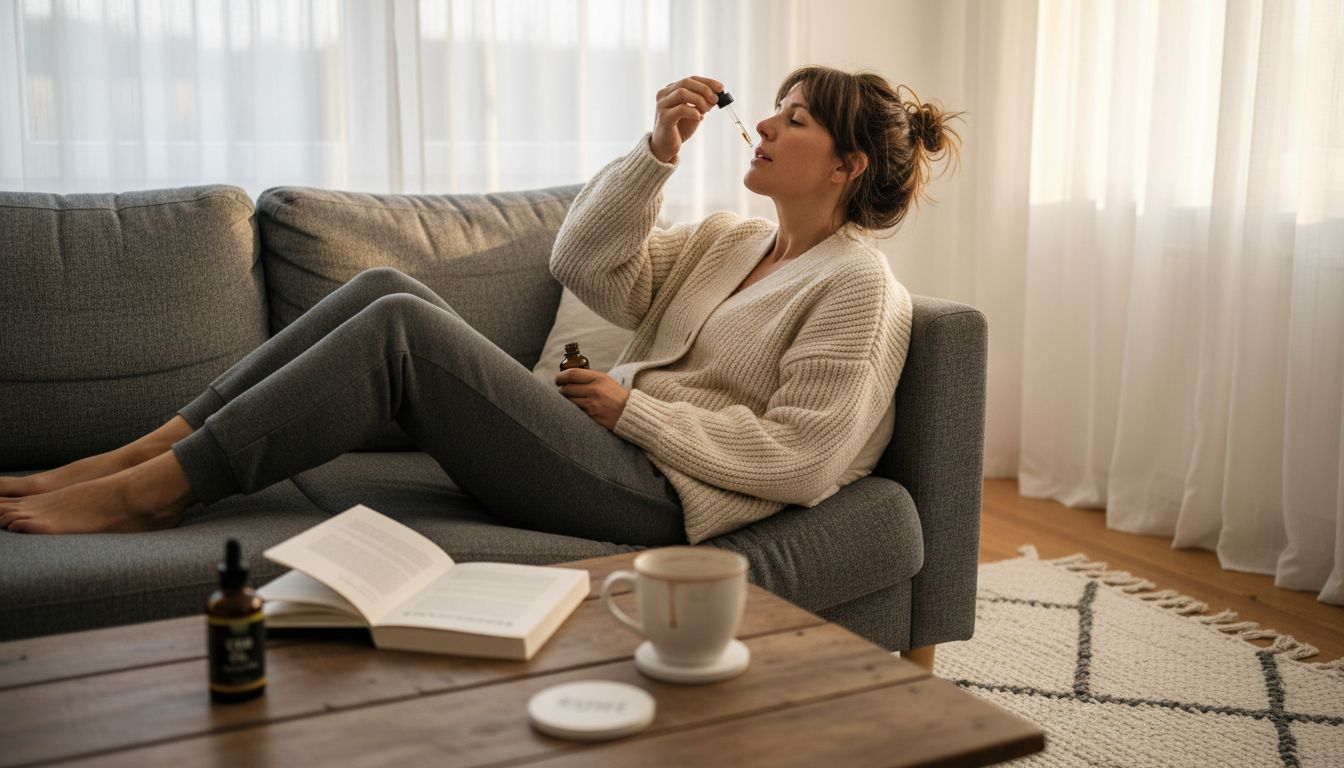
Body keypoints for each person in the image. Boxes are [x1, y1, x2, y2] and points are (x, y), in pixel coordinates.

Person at [0, 66, 963, 542]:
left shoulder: (858, 289)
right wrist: (657, 151)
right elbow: (587, 263)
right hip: (607, 449)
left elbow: (800, 457)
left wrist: (640, 411)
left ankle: (148, 494)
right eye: (775, 109)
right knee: (385, 286)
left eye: (795, 121)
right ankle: (141, 452)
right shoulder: (728, 241)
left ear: (846, 165)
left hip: (661, 496)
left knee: (400, 330)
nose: (763, 129)